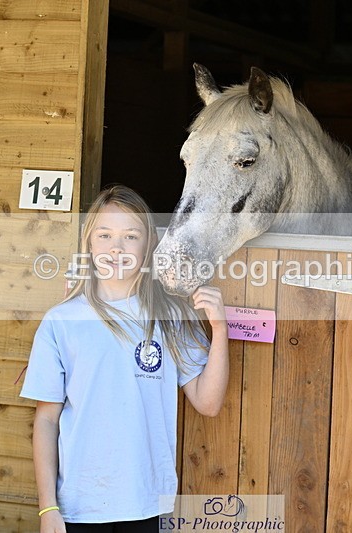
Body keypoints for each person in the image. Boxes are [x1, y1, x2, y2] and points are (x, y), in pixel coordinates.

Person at [20, 185, 229, 533]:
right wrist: (48, 508)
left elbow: (208, 403)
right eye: (104, 235)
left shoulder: (170, 316)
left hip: (146, 502)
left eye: (130, 236)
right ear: (89, 243)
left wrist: (220, 330)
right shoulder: (61, 321)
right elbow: (46, 420)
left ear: (149, 245)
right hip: (80, 506)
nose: (116, 248)